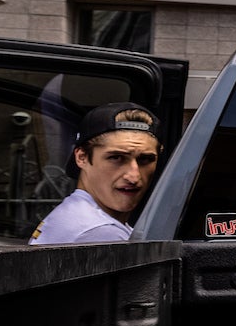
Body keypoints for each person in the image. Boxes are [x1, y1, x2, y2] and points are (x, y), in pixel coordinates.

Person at [30, 102, 162, 245]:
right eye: (116, 158)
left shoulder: (77, 214)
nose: (133, 176)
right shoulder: (99, 231)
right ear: (82, 157)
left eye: (146, 159)